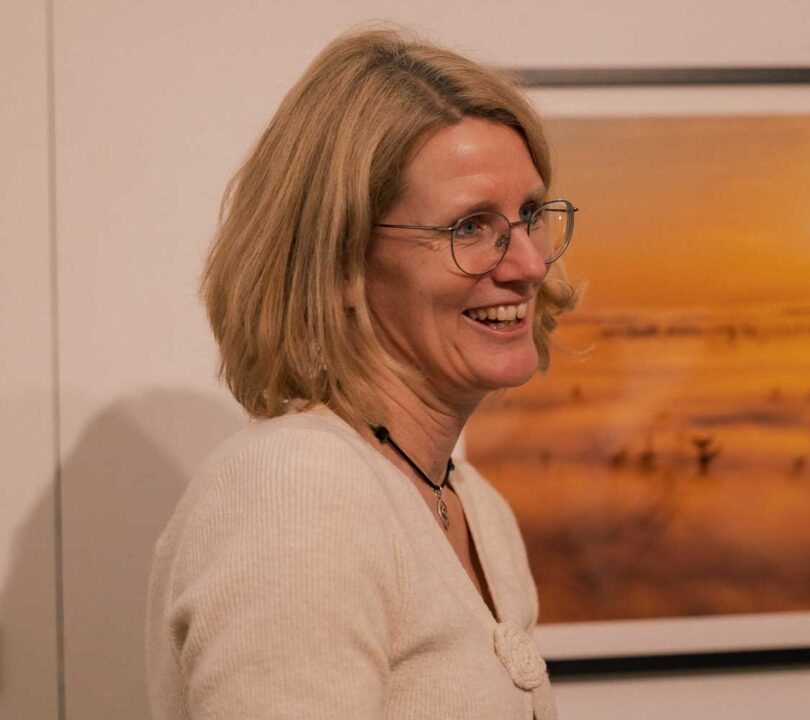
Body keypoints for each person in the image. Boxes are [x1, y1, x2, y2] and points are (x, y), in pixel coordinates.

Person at [145, 28, 577, 720]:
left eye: (529, 215)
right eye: (469, 226)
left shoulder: (477, 507)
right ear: (341, 263)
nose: (527, 263)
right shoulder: (295, 493)